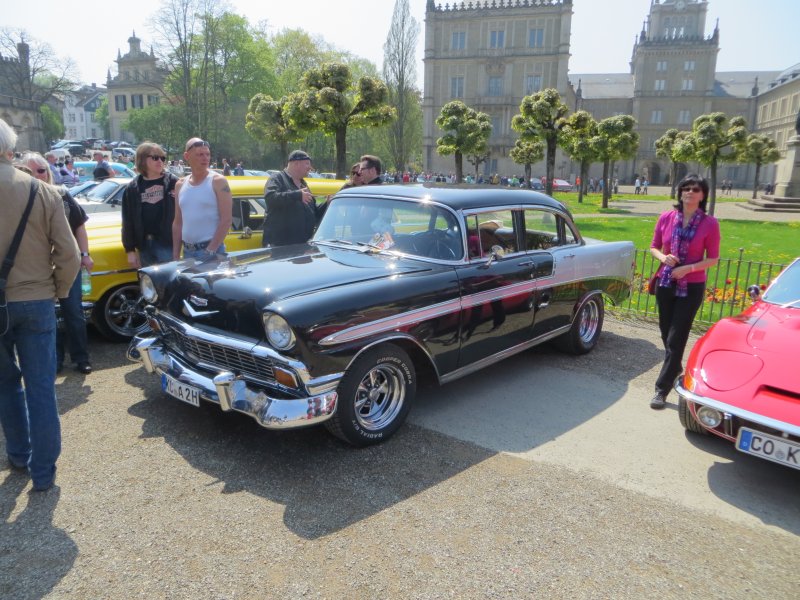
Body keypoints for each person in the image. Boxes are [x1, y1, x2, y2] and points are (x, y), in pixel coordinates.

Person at [0, 118, 80, 490]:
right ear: (9, 149)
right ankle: (43, 471)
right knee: (41, 387)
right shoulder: (43, 192)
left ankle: (18, 453)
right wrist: (59, 291)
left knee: (5, 386)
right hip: (35, 297)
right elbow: (70, 254)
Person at [649, 174, 720, 410]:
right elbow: (653, 247)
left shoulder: (710, 224)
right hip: (666, 282)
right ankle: (675, 365)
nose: (690, 192)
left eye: (695, 189)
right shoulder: (667, 217)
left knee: (676, 336)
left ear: (703, 196)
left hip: (691, 286)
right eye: (686, 188)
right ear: (680, 193)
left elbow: (713, 258)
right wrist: (664, 257)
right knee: (665, 332)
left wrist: (688, 268)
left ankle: (662, 388)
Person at [22, 152, 93, 374]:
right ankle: (56, 360)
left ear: (48, 172)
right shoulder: (20, 199)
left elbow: (80, 225)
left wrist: (84, 254)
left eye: (41, 170)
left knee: (73, 313)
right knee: (48, 316)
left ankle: (81, 358)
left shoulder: (62, 194)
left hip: (67, 266)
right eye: (29, 171)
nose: (37, 175)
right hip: (39, 270)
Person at [172, 138, 233, 260]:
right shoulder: (180, 184)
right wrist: (175, 255)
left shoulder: (218, 181)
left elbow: (226, 220)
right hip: (188, 252)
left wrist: (210, 250)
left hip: (211, 251)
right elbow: (178, 222)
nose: (205, 158)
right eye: (200, 154)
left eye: (207, 154)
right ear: (187, 156)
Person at [121, 142, 179, 268]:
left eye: (162, 158)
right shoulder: (132, 188)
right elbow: (127, 221)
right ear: (142, 159)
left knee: (170, 285)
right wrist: (130, 250)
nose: (160, 161)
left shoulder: (173, 182)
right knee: (149, 285)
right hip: (144, 245)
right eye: (155, 158)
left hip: (168, 244)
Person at [261, 150, 327, 247]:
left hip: (302, 247)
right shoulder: (277, 178)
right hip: (280, 248)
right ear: (296, 163)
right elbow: (271, 198)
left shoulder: (303, 184)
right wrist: (297, 195)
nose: (310, 167)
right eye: (307, 163)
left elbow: (313, 213)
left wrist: (327, 203)